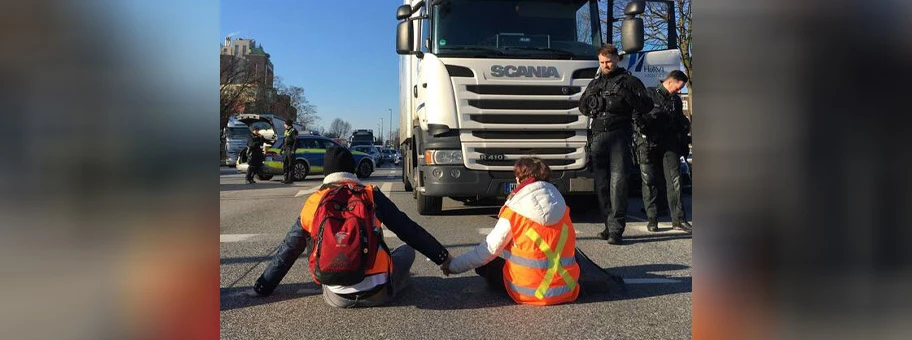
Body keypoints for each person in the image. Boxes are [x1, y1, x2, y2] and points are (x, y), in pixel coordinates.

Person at [252, 147, 452, 308]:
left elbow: (289, 248)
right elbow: (408, 230)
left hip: (336, 296)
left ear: (327, 173)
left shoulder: (315, 201)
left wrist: (263, 286)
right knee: (407, 251)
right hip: (379, 293)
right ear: (352, 171)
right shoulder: (370, 195)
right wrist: (442, 257)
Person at [442, 158, 580, 306]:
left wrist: (452, 266)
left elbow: (486, 251)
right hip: (567, 289)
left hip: (527, 292)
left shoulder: (514, 211)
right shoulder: (563, 208)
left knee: (485, 264)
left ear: (518, 179)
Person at [579, 44, 654, 245]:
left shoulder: (630, 81)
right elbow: (583, 107)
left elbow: (647, 105)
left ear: (617, 59)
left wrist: (627, 96)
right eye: (602, 62)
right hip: (598, 136)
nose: (605, 65)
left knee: (618, 183)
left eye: (609, 61)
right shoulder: (594, 83)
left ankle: (616, 230)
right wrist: (588, 100)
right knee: (601, 184)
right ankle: (608, 224)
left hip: (619, 135)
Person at [634, 70, 693, 233]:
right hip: (649, 143)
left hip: (670, 143)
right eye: (678, 87)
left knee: (675, 181)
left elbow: (680, 119)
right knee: (649, 181)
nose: (679, 91)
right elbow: (636, 117)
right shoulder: (648, 94)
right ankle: (652, 219)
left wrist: (685, 127)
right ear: (670, 82)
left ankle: (679, 219)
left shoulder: (676, 100)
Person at [281, 119, 299, 184]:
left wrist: (293, 150)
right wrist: (282, 149)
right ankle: (285, 178)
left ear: (288, 124)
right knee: (285, 165)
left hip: (290, 149)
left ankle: (290, 179)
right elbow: (284, 141)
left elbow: (296, 141)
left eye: (285, 124)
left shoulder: (294, 131)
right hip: (285, 150)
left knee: (290, 165)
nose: (284, 125)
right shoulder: (286, 131)